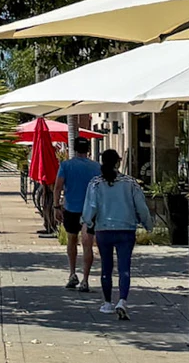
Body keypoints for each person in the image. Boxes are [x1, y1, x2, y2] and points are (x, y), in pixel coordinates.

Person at [83, 147, 152, 320]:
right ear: (118, 162)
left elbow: (90, 207)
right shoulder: (130, 183)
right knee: (124, 267)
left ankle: (107, 302)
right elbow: (141, 207)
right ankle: (122, 300)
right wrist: (147, 224)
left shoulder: (95, 183)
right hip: (126, 229)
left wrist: (88, 221)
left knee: (106, 267)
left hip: (103, 229)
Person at [56, 135, 100, 291]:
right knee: (87, 244)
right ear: (88, 149)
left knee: (71, 240)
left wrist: (56, 206)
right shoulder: (96, 167)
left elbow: (58, 187)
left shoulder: (66, 165)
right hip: (90, 210)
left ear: (74, 149)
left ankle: (72, 273)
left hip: (71, 209)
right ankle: (85, 280)